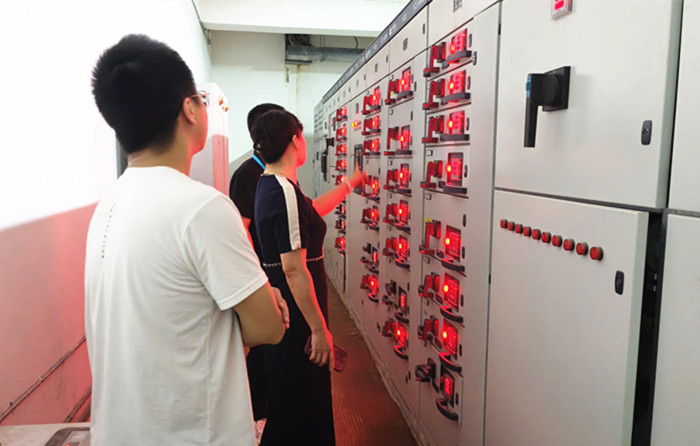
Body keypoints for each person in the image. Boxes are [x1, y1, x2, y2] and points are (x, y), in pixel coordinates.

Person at [86, 34, 288, 446]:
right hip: (194, 435)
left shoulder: (108, 205)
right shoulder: (202, 208)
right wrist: (266, 300)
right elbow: (268, 326)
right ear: (189, 108)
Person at [251, 109, 366, 445]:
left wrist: (349, 184)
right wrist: (319, 330)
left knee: (293, 397)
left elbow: (311, 211)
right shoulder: (283, 191)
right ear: (295, 139)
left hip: (290, 311)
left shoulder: (274, 185)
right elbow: (293, 269)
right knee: (302, 399)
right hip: (298, 316)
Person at [229, 103, 285, 422]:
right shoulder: (246, 175)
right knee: (261, 356)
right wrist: (259, 277)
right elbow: (242, 230)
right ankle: (259, 418)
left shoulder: (274, 172)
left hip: (275, 273)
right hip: (261, 276)